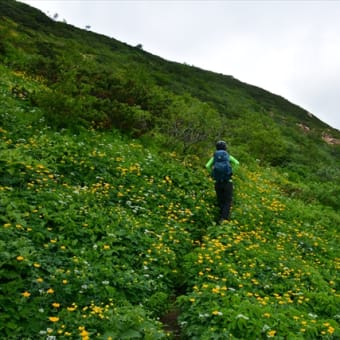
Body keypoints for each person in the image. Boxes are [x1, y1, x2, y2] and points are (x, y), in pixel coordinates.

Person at [205, 141, 239, 224]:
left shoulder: (215, 157)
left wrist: (212, 174)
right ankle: (224, 219)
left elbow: (207, 166)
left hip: (218, 182)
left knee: (220, 200)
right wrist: (231, 172)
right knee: (228, 201)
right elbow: (237, 163)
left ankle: (220, 217)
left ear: (216, 148)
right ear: (225, 148)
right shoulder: (227, 156)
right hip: (228, 181)